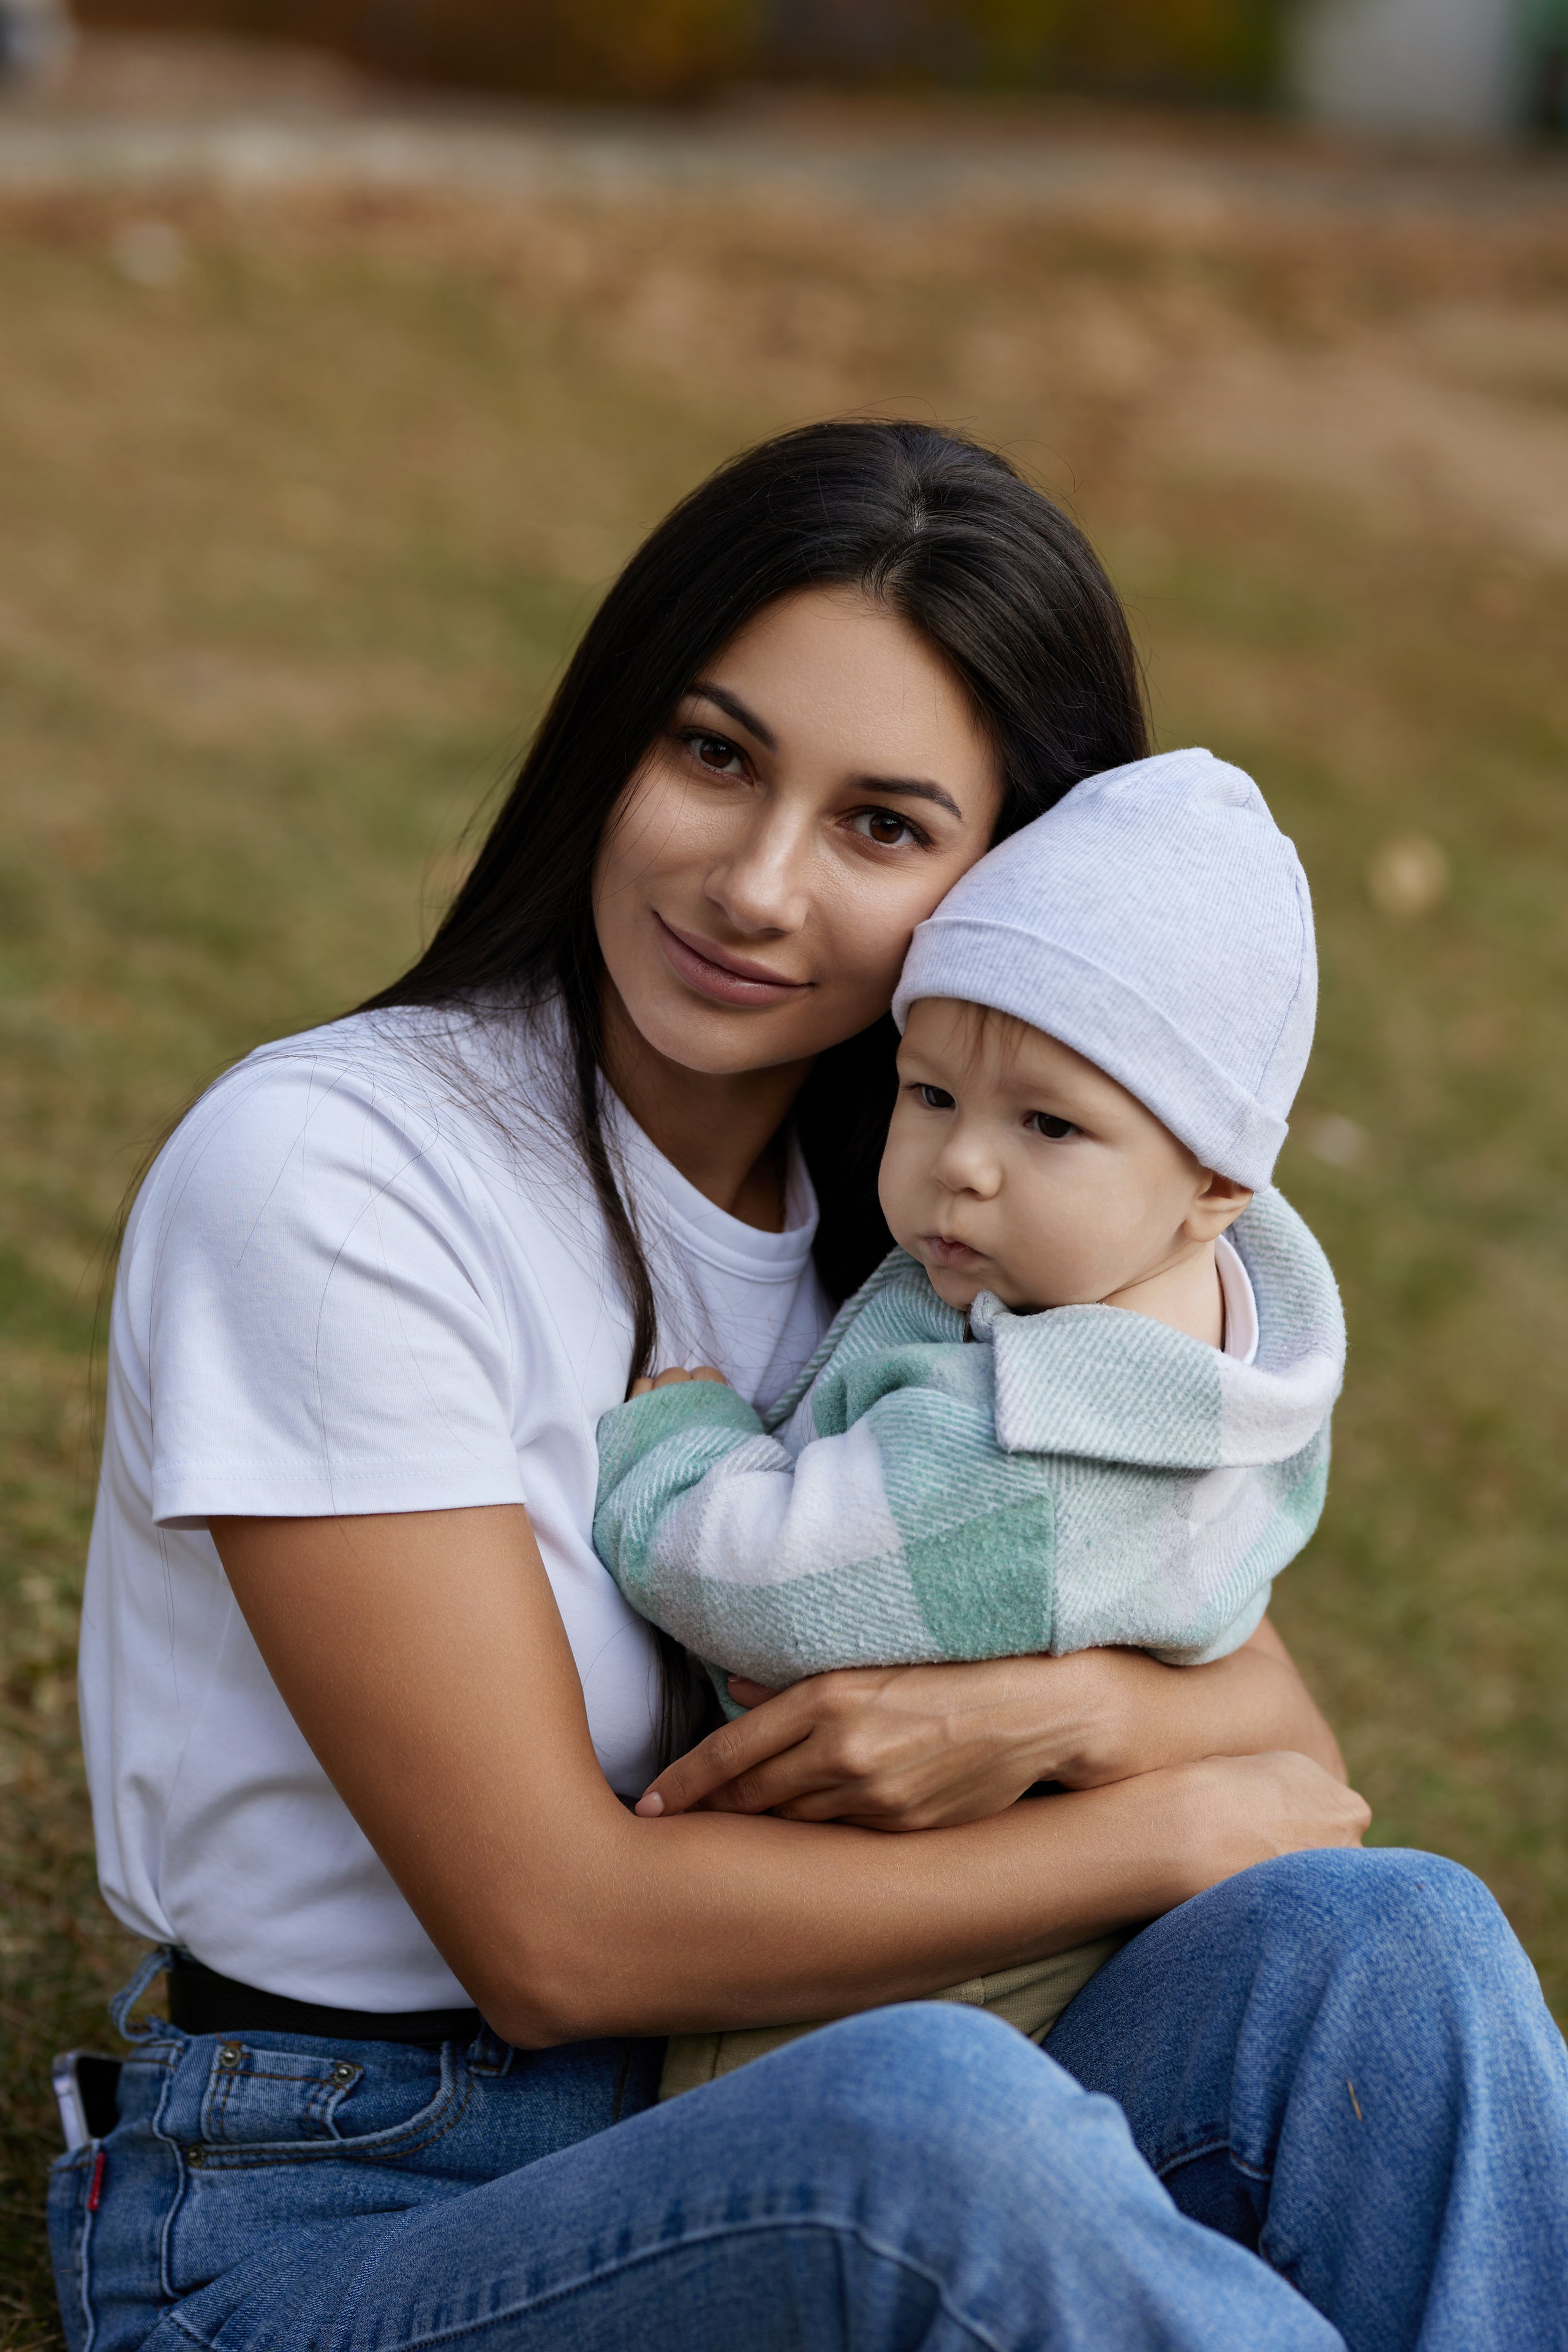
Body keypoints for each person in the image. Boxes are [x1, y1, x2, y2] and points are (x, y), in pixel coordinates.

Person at [56, 421, 1568, 2352]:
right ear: (617, 734)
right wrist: (1151, 1826)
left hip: (782, 2078)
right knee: (927, 2129)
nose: (756, 884)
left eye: (881, 826)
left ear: (1006, 887)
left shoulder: (947, 1218)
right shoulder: (340, 1179)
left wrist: (1032, 1718)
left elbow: (1264, 1724)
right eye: (715, 753)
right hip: (338, 2200)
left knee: (1391, 1946)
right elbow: (552, 1935)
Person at [593, 747, 1345, 2094]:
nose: (964, 1165)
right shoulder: (1186, 1335)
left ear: (1215, 1187)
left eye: (1049, 1127)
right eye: (930, 1094)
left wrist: (675, 1444)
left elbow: (763, 1585)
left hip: (909, 1975)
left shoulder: (1038, 1452)